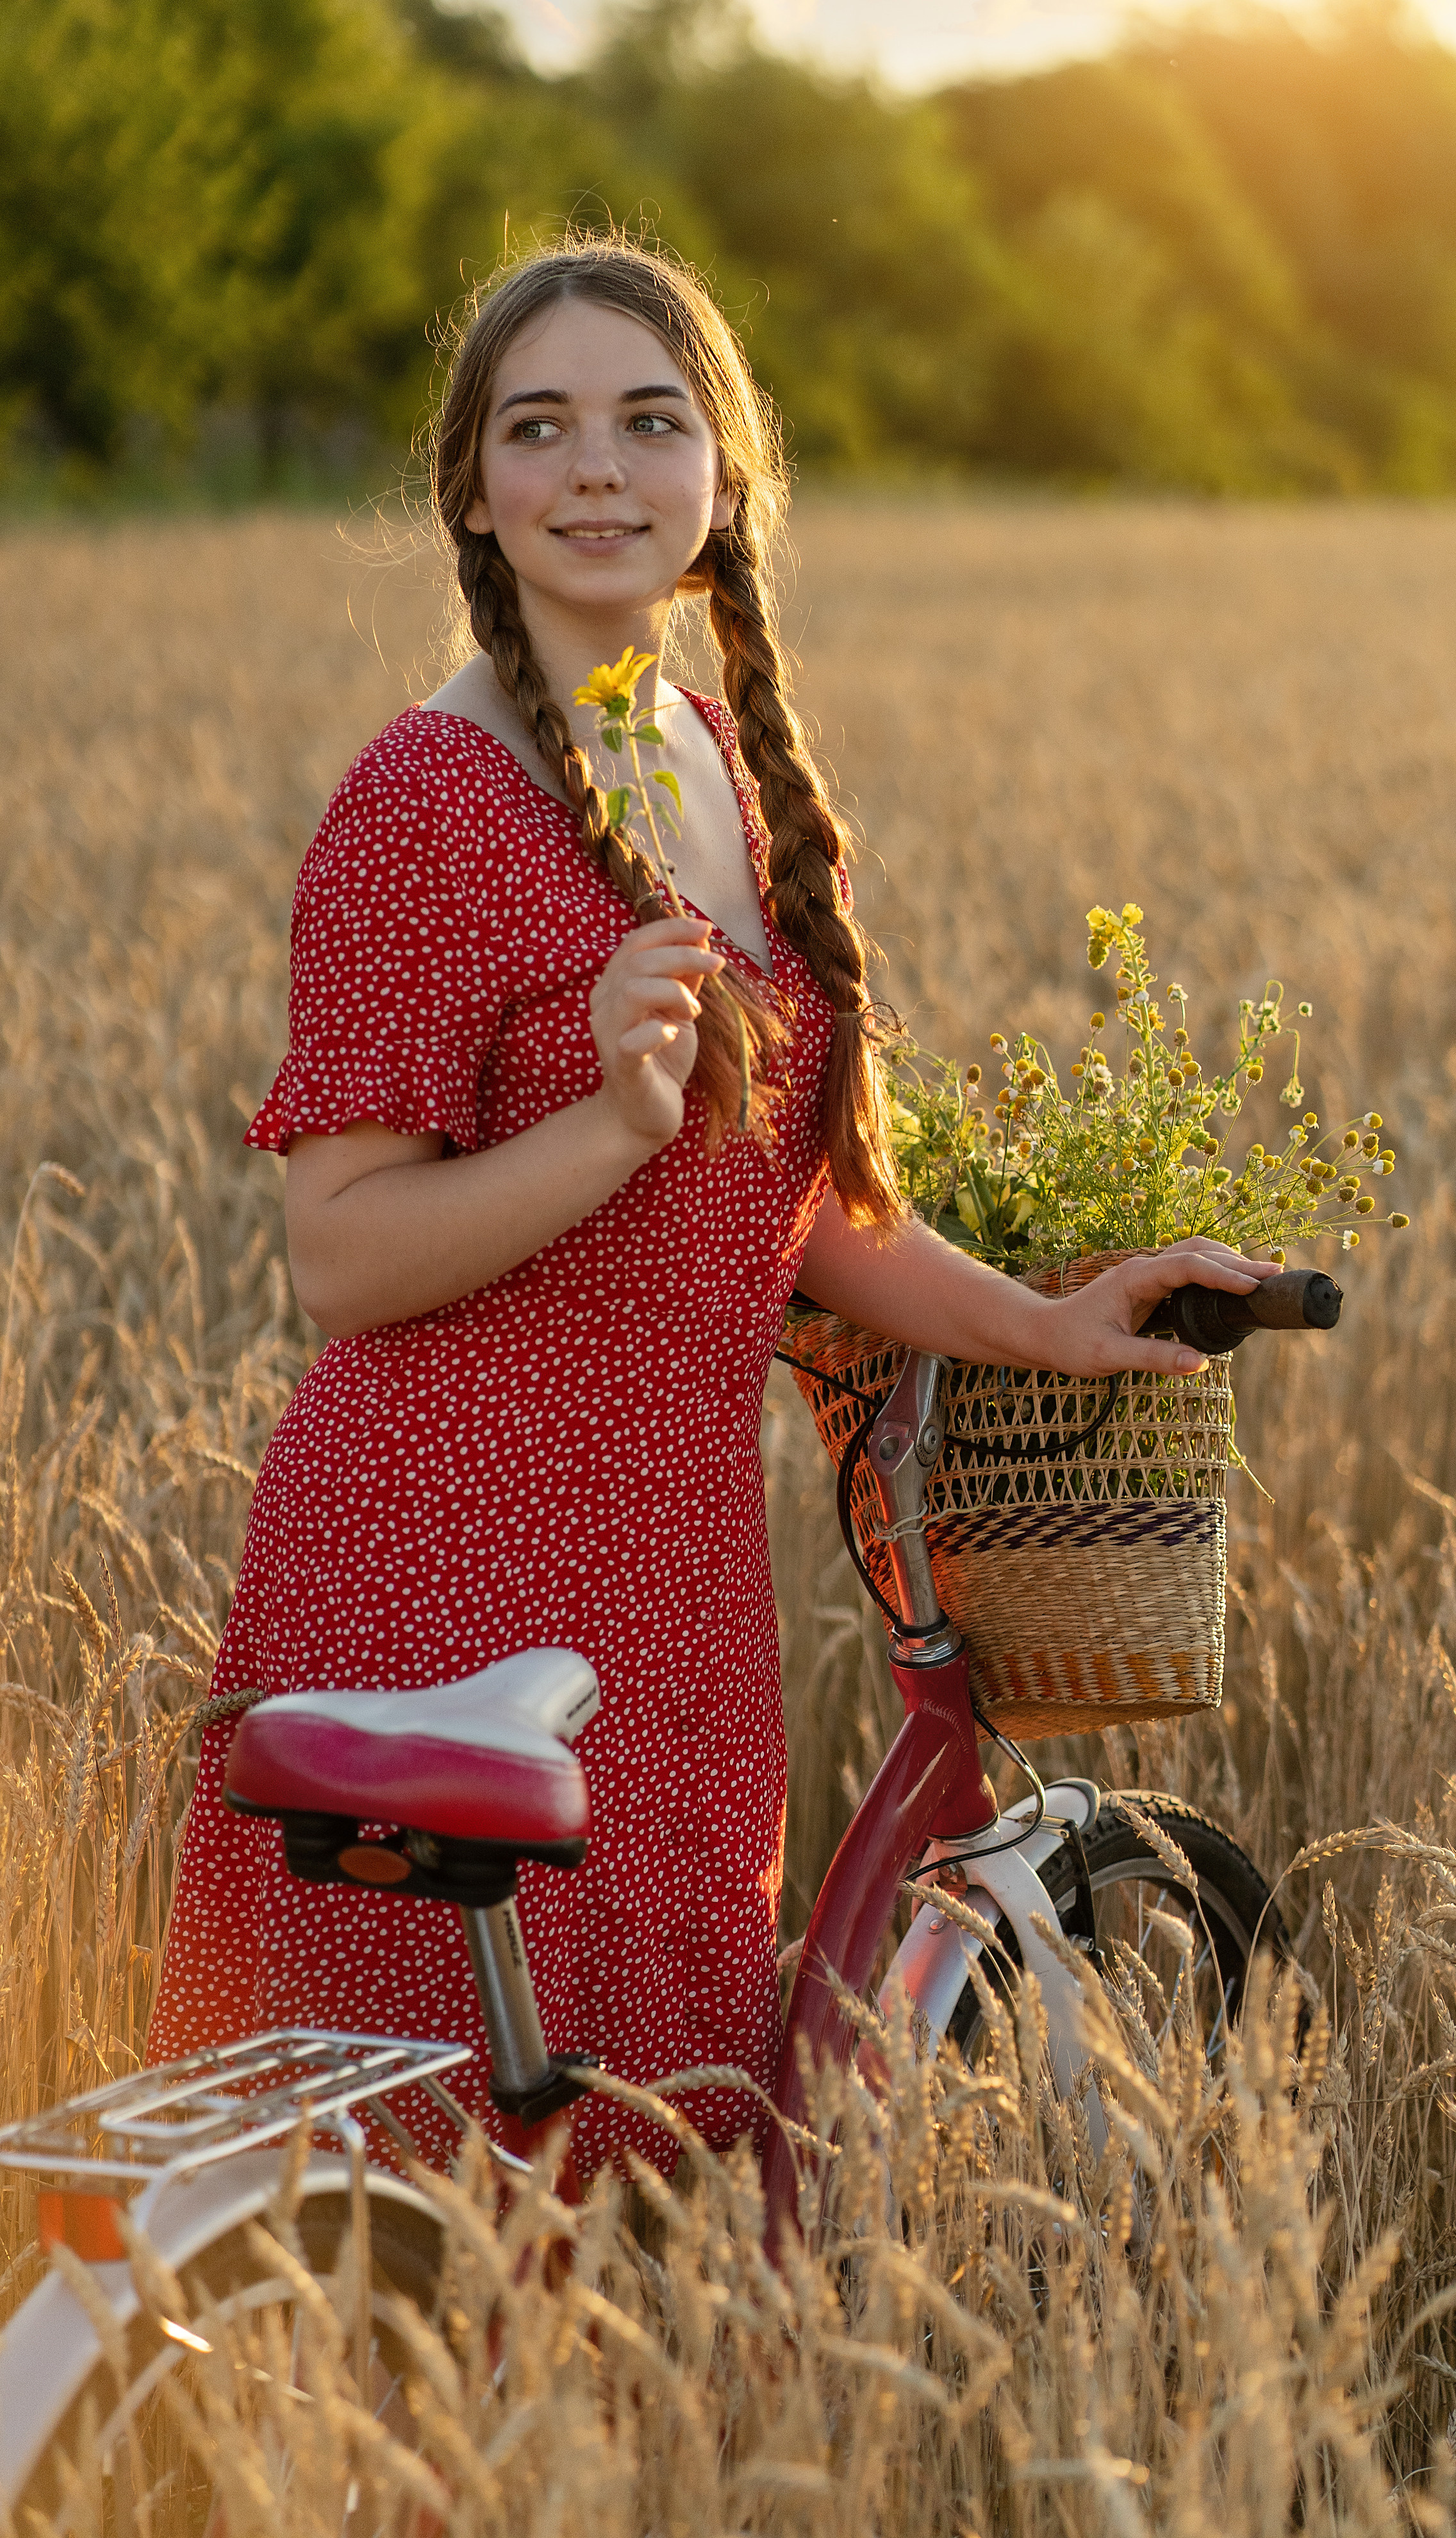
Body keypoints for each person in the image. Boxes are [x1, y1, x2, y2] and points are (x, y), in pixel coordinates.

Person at [148, 236, 1275, 2177]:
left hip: (669, 1589)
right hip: (445, 1563)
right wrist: (603, 1123)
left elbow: (794, 1210)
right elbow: (339, 1256)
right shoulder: (423, 804)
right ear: (473, 491)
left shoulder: (709, 769)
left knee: (641, 2184)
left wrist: (1052, 1319)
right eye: (541, 427)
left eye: (648, 420)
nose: (597, 469)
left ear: (725, 479)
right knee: (429, 2203)